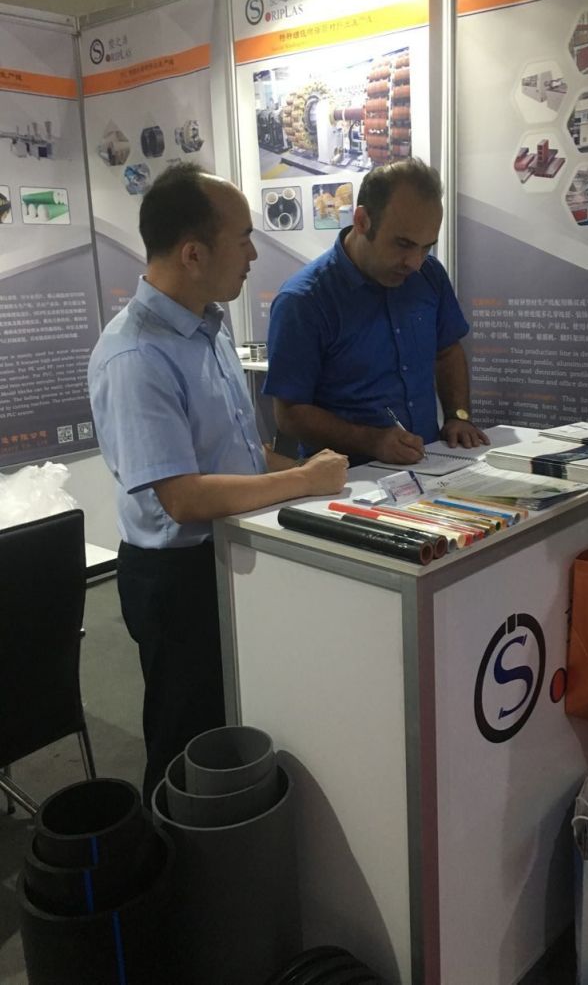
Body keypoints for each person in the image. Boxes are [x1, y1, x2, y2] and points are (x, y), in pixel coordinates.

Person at [88, 163, 348, 804]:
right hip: (176, 580)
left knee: (234, 724)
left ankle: (229, 846)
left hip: (229, 556)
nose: (254, 255)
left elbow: (241, 454)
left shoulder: (209, 326)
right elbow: (183, 497)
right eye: (243, 239)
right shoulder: (136, 355)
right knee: (184, 741)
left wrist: (313, 475)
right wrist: (304, 480)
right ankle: (169, 857)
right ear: (194, 253)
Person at [263, 158, 488, 466]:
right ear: (362, 221)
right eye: (403, 244)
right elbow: (290, 414)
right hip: (348, 478)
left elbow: (447, 351)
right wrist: (371, 440)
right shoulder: (304, 300)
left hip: (429, 465)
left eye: (426, 247)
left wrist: (458, 416)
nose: (415, 262)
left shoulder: (428, 275)